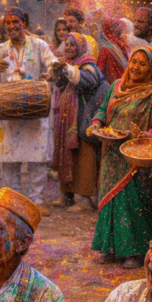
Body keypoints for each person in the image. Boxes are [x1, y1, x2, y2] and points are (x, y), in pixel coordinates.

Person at [88, 47, 152, 268]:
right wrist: (97, 124)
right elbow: (103, 109)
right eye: (133, 62)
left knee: (134, 202)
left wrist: (147, 134)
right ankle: (111, 248)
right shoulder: (116, 86)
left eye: (142, 64)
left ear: (151, 69)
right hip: (112, 153)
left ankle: (136, 251)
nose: (135, 67)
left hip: (137, 157)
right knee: (110, 200)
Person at [0, 6, 59, 214]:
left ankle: (38, 200)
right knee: (9, 159)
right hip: (9, 112)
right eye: (7, 23)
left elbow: (52, 63)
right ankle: (13, 199)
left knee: (37, 159)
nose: (11, 26)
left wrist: (51, 73)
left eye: (15, 22)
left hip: (34, 109)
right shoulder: (0, 50)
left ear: (23, 23)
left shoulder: (38, 45)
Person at [51, 33, 103, 211]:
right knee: (67, 156)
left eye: (73, 44)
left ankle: (86, 200)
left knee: (84, 157)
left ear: (81, 47)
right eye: (66, 44)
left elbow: (90, 81)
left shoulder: (88, 64)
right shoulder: (66, 62)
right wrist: (57, 72)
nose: (68, 48)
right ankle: (67, 195)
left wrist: (68, 69)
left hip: (83, 119)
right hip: (66, 119)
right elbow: (60, 84)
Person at [96, 17, 130, 85]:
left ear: (106, 32)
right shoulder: (123, 45)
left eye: (102, 31)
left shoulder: (105, 50)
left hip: (111, 87)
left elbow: (99, 73)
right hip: (123, 84)